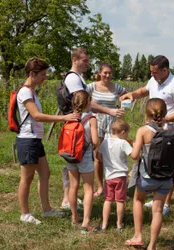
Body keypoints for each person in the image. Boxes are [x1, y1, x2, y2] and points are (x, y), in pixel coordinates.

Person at [120, 55, 174, 216]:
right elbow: (144, 90)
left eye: (154, 72)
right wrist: (132, 95)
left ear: (165, 70)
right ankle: (156, 194)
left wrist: (162, 120)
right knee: (150, 161)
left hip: (168, 132)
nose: (152, 75)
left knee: (169, 167)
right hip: (152, 131)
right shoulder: (154, 81)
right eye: (151, 72)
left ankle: (166, 203)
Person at [16, 57, 80, 225]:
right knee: (27, 178)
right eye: (43, 74)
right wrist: (63, 117)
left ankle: (46, 210)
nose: (45, 77)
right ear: (32, 73)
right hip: (27, 141)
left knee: (45, 173)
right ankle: (25, 214)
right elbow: (36, 115)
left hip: (35, 140)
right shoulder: (24, 92)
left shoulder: (32, 91)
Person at [60, 48, 124, 210]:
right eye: (85, 61)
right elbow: (82, 102)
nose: (87, 64)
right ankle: (74, 203)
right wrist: (109, 110)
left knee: (76, 166)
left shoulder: (80, 79)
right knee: (83, 169)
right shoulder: (75, 80)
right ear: (75, 60)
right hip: (84, 127)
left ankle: (72, 204)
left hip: (86, 126)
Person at [125, 98, 174, 250]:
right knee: (158, 210)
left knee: (138, 200)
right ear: (165, 112)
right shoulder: (172, 130)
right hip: (166, 177)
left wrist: (134, 145)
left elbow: (135, 155)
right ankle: (152, 246)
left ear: (146, 113)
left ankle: (138, 236)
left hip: (148, 177)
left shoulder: (143, 131)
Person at [87, 62, 126, 198]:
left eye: (109, 73)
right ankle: (100, 187)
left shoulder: (116, 87)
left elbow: (127, 96)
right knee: (98, 155)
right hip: (95, 122)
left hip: (111, 123)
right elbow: (84, 100)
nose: (107, 75)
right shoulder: (92, 86)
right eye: (105, 73)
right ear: (99, 73)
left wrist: (122, 107)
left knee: (112, 154)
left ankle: (113, 187)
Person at [66, 90, 98, 233]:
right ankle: (86, 221)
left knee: (73, 187)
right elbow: (95, 140)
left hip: (70, 155)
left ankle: (74, 217)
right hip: (84, 155)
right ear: (88, 102)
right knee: (88, 188)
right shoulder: (91, 119)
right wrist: (93, 147)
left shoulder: (70, 117)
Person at [96, 119, 132, 232]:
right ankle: (119, 224)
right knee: (120, 200)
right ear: (122, 132)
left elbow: (98, 156)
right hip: (120, 176)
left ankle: (104, 225)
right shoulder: (123, 143)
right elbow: (133, 154)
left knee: (108, 200)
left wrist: (105, 161)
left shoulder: (105, 142)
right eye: (127, 133)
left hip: (108, 177)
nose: (127, 136)